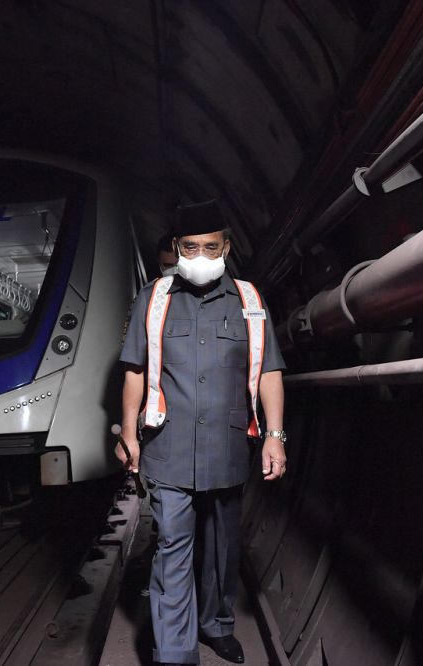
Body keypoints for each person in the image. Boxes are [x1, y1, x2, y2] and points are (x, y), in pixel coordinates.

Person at [116, 200, 288, 665]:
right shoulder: (153, 299)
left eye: (210, 247)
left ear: (227, 247)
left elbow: (269, 369)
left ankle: (216, 625)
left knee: (222, 546)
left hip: (230, 447)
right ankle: (175, 650)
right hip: (168, 447)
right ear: (177, 248)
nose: (200, 255)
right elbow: (134, 369)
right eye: (190, 247)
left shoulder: (250, 301)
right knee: (173, 543)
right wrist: (129, 433)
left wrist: (276, 435)